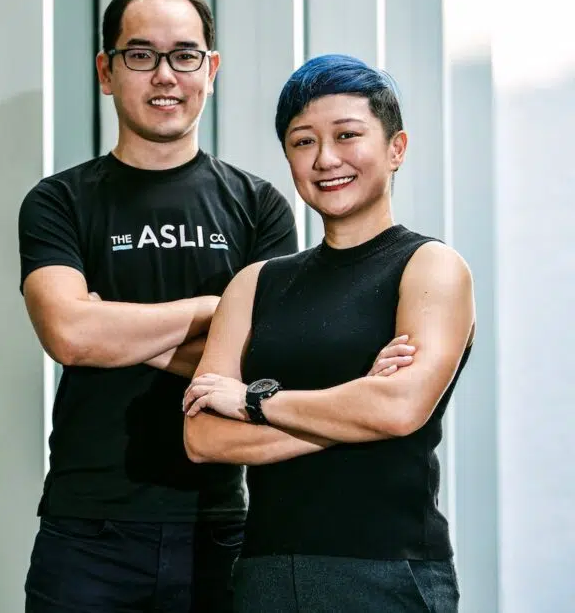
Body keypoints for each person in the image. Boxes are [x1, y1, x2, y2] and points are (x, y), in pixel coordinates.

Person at [17, 0, 409, 612]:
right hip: (87, 528)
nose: (165, 75)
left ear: (211, 69)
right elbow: (68, 334)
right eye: (140, 55)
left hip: (220, 522)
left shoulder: (259, 206)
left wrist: (112, 330)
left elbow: (263, 363)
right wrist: (214, 314)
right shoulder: (60, 201)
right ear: (106, 72)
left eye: (185, 55)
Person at [182, 54, 475, 612]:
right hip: (264, 574)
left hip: (387, 573)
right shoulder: (256, 283)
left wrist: (252, 401)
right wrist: (356, 405)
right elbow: (204, 439)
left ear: (396, 149)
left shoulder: (430, 267)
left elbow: (399, 408)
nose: (326, 159)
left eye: (348, 135)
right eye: (303, 142)